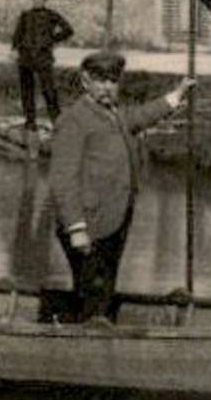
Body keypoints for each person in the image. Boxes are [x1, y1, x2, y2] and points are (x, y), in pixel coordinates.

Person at [47, 49, 194, 324]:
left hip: (115, 219)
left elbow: (139, 117)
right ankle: (86, 344)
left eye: (112, 81)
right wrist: (76, 228)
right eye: (100, 81)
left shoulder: (113, 113)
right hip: (88, 225)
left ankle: (95, 331)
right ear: (85, 81)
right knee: (94, 289)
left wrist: (176, 95)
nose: (107, 87)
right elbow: (63, 179)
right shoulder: (74, 120)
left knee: (104, 287)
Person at [10, 0, 74, 131]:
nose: (38, 1)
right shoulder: (25, 15)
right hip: (25, 58)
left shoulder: (51, 15)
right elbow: (17, 35)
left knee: (49, 91)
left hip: (43, 58)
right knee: (27, 91)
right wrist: (14, 49)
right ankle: (30, 121)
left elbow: (68, 30)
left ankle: (57, 122)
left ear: (45, 0)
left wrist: (52, 39)